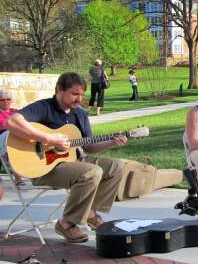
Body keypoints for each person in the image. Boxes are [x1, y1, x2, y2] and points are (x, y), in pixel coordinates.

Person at [6, 73, 128, 243]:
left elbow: (88, 147)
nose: (79, 99)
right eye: (74, 94)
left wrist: (111, 142)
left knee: (117, 166)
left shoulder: (80, 114)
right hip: (45, 168)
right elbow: (12, 121)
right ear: (59, 91)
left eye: (81, 94)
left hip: (73, 163)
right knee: (92, 172)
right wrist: (49, 139)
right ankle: (66, 223)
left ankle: (91, 213)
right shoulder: (44, 107)